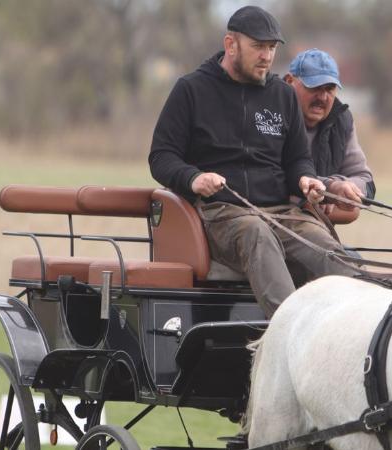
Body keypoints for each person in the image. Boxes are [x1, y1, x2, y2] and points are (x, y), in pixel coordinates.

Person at [148, 6, 357, 318]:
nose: (267, 56)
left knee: (324, 248)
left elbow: (298, 159)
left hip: (282, 213)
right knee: (255, 232)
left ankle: (356, 325)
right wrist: (193, 178)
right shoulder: (191, 90)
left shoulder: (282, 95)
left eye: (272, 48)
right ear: (231, 44)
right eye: (258, 46)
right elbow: (161, 157)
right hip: (223, 213)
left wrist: (306, 180)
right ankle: (291, 329)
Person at [284, 48, 376, 224]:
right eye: (314, 88)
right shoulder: (269, 113)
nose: (323, 97)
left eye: (330, 89)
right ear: (289, 81)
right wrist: (326, 192)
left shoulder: (341, 120)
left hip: (319, 230)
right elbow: (268, 176)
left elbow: (367, 182)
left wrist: (336, 192)